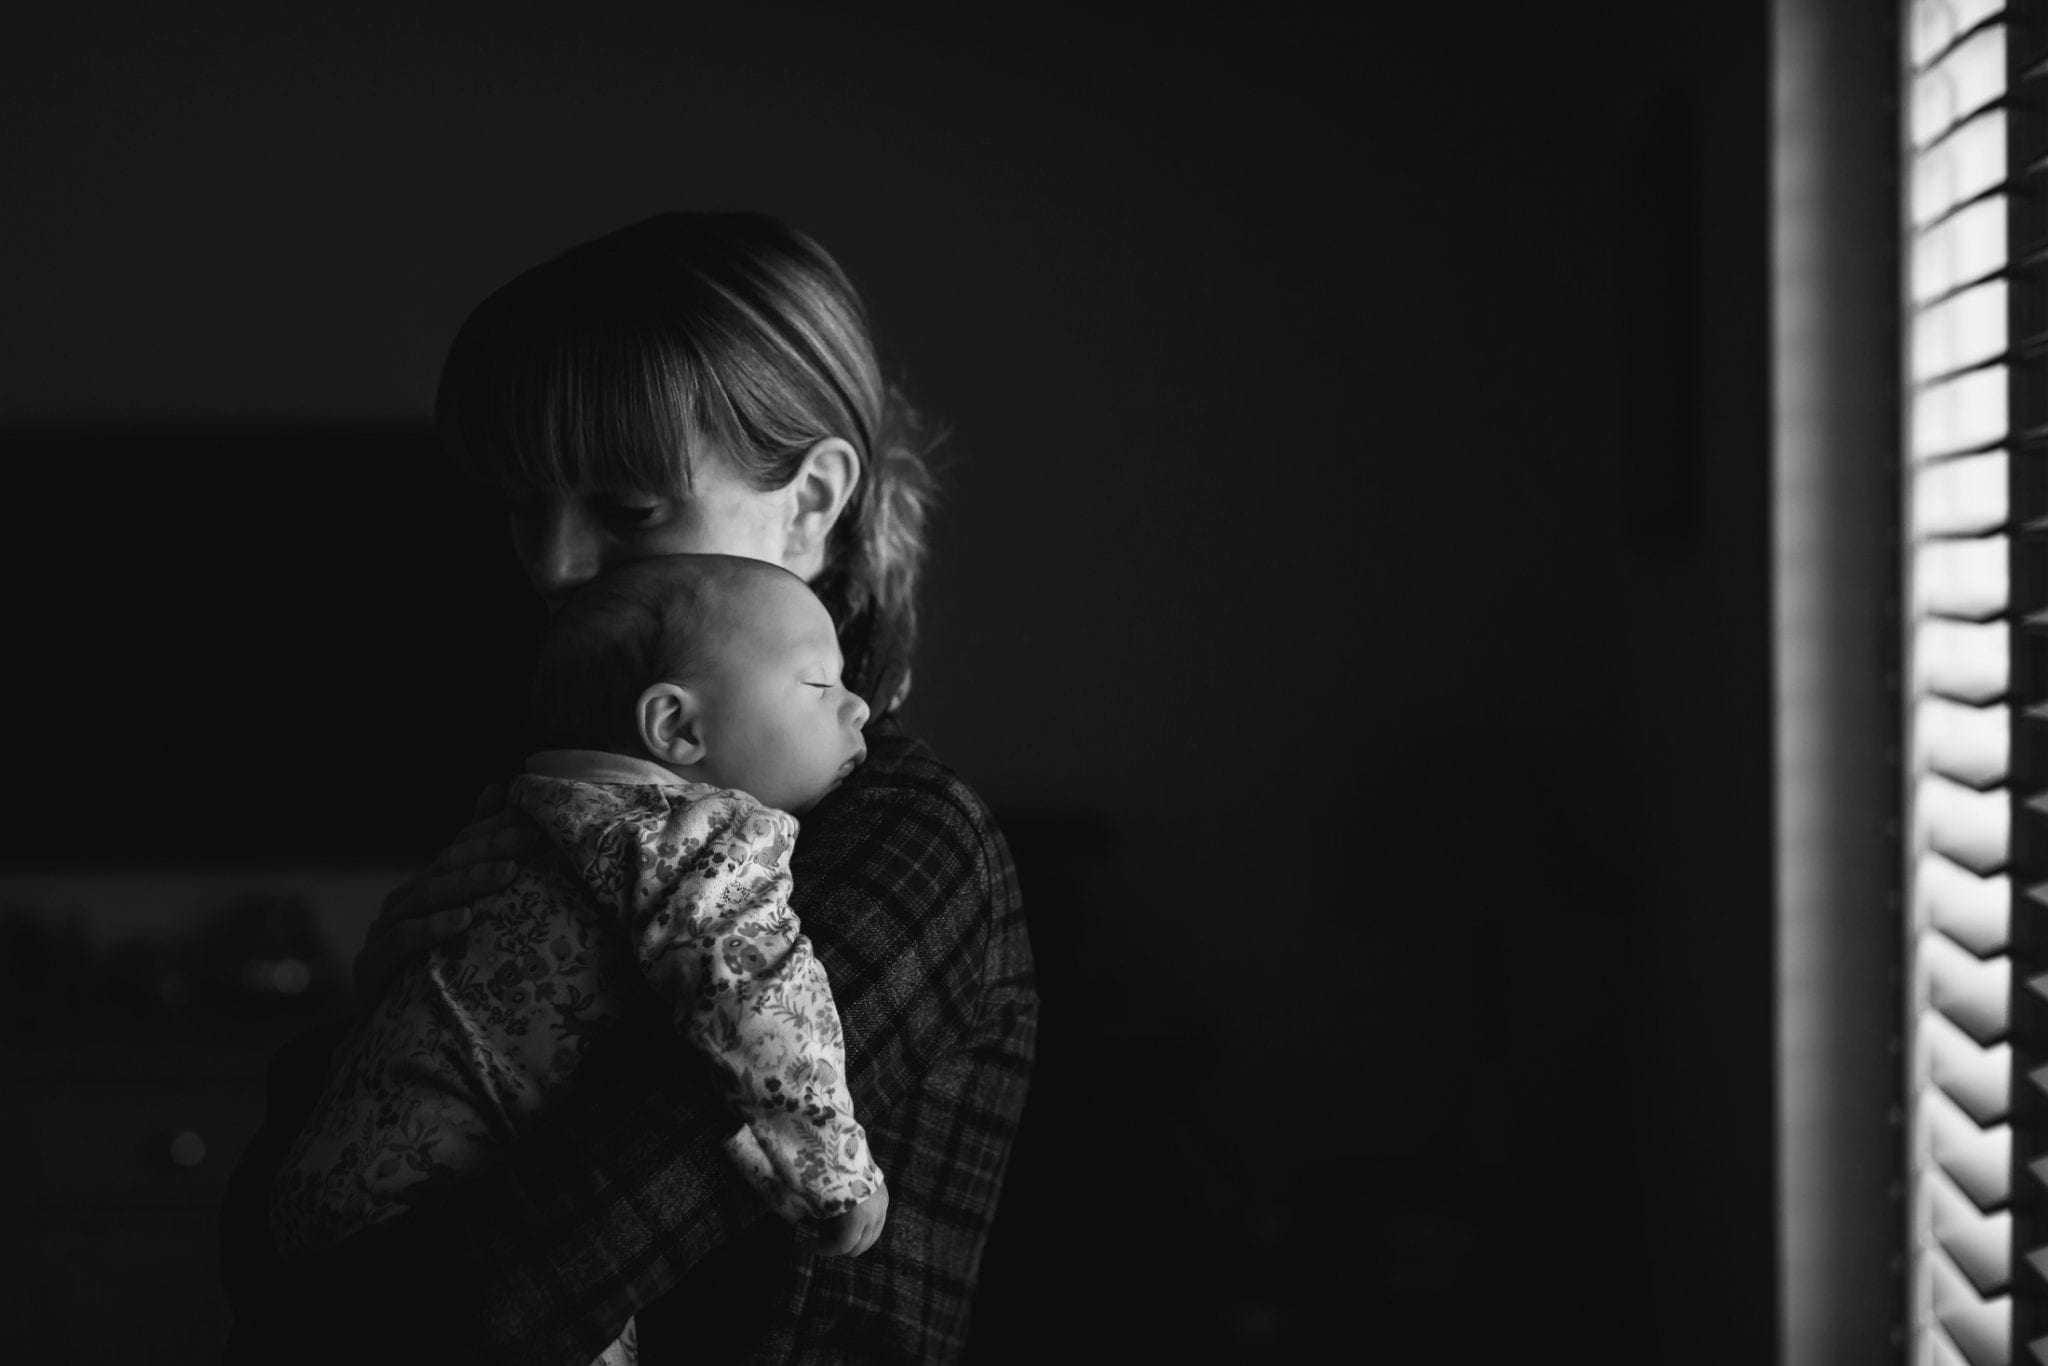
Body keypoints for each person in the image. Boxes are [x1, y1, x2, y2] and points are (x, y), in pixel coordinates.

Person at [219, 211, 1038, 1366]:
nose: (550, 565)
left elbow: (500, 1290)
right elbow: (274, 1232)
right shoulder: (564, 804)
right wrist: (384, 1011)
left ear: (809, 503)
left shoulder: (905, 846)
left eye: (628, 508)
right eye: (521, 504)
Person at [270, 553, 891, 1366]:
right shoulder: (699, 838)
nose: (860, 708)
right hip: (464, 1233)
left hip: (322, 1208)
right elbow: (754, 986)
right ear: (676, 729)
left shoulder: (525, 812)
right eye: (817, 685)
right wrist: (831, 1169)